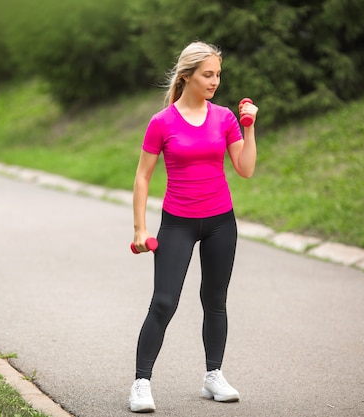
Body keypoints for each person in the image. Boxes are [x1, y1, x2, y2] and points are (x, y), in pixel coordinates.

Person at [128, 40, 258, 413]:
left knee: (215, 301)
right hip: (178, 223)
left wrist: (249, 128)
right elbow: (142, 178)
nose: (215, 81)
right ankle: (141, 383)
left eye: (218, 74)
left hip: (220, 221)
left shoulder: (224, 118)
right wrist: (140, 229)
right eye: (208, 74)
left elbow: (245, 169)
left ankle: (213, 375)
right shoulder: (162, 122)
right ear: (187, 76)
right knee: (164, 302)